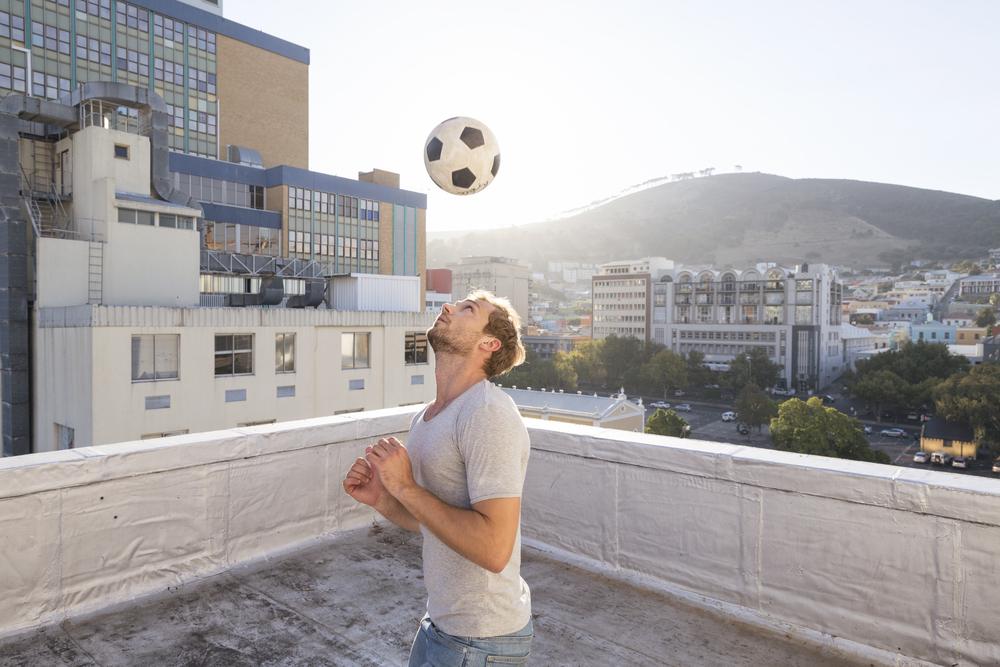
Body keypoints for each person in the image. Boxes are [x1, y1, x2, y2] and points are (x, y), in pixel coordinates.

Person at [342, 290, 533, 666]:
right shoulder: (428, 417)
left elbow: (495, 549)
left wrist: (404, 486)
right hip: (441, 624)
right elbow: (431, 521)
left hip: (482, 639)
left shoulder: (487, 413)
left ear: (488, 343)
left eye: (467, 309)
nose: (447, 308)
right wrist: (382, 497)